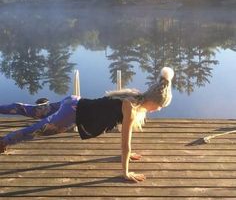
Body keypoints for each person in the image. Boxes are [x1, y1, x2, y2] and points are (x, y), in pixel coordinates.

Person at [0, 67, 174, 182]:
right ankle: (4, 141)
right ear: (152, 100)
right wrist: (126, 172)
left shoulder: (135, 97)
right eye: (159, 106)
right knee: (37, 130)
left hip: (74, 102)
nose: (158, 110)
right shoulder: (131, 107)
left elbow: (126, 142)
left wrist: (129, 155)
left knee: (33, 111)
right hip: (72, 113)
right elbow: (124, 143)